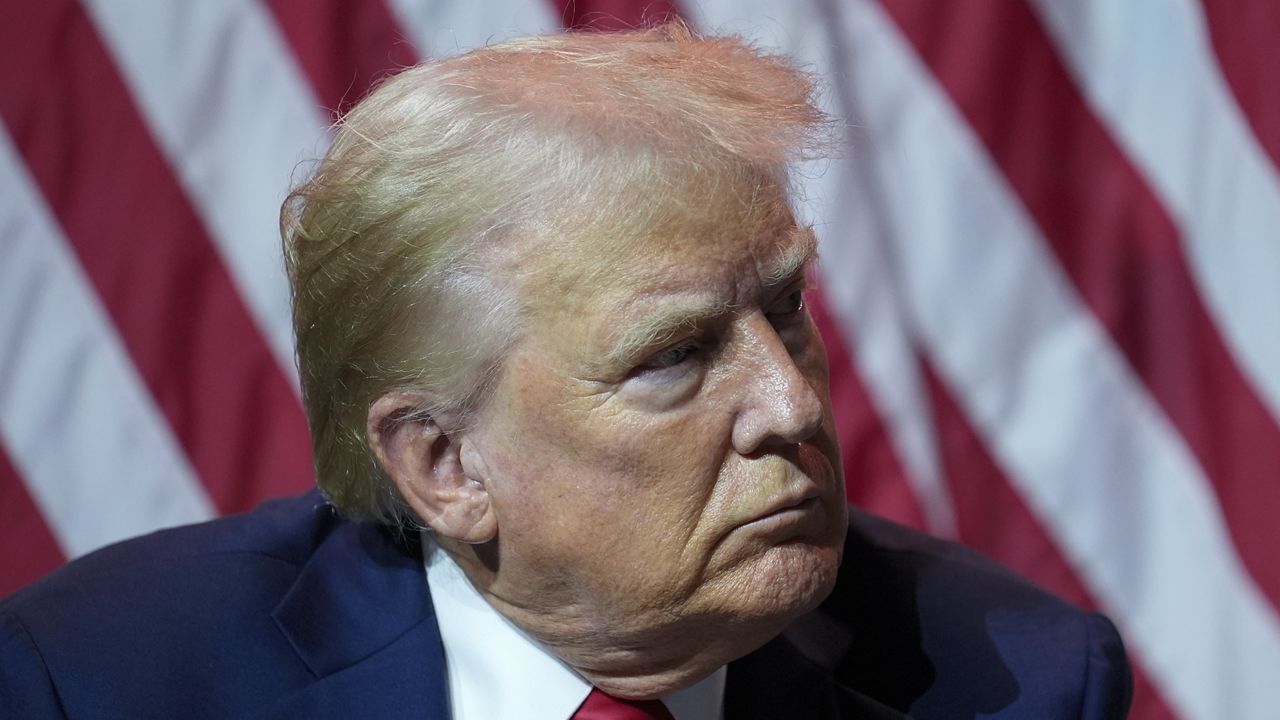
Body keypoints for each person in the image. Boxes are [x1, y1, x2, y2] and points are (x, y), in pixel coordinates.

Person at [0, 24, 1131, 719]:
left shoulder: (1013, 682)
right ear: (443, 463)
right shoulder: (101, 681)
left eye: (783, 309)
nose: (790, 402)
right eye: (674, 357)